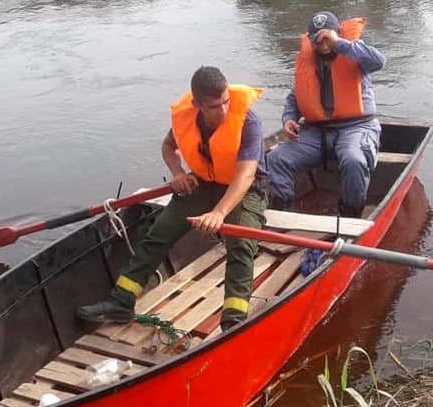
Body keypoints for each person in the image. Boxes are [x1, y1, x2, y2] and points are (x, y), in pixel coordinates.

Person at [77, 66, 268, 332]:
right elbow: (168, 147)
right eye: (214, 107)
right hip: (204, 184)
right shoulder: (187, 119)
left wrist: (219, 213)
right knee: (158, 233)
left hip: (244, 189)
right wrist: (178, 173)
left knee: (240, 244)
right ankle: (120, 301)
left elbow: (246, 175)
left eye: (226, 102)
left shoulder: (248, 120)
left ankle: (233, 321)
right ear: (197, 104)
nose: (223, 111)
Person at [267, 11, 386, 217]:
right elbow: (293, 99)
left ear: (336, 34)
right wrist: (288, 120)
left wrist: (339, 43)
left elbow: (379, 61)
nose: (323, 46)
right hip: (318, 133)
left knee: (354, 160)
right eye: (317, 41)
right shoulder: (308, 63)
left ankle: (351, 214)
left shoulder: (354, 53)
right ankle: (282, 212)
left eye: (326, 39)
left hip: (357, 128)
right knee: (277, 158)